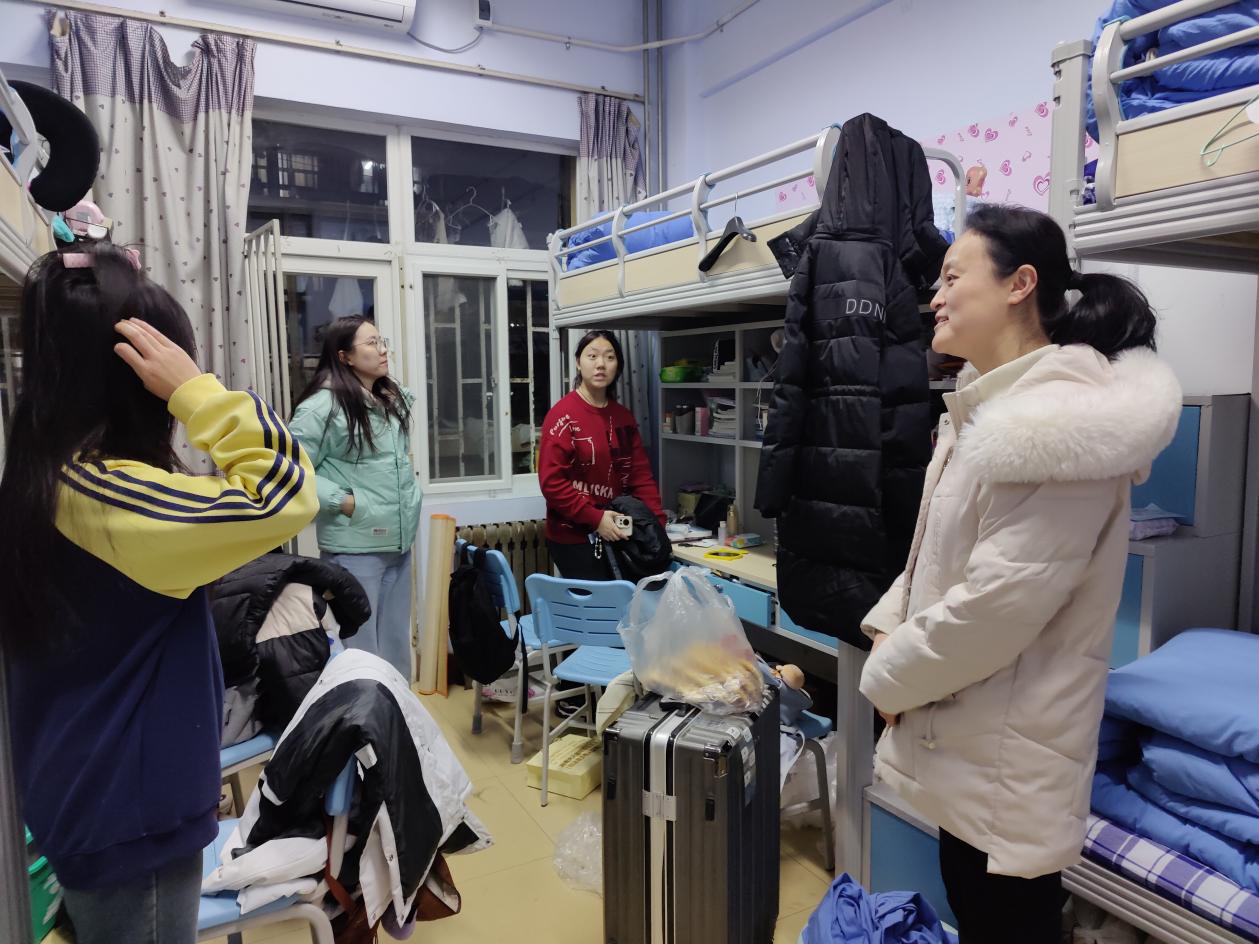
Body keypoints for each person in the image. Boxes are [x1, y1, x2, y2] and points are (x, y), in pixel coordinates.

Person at [857, 205, 1183, 944]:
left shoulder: (1054, 425)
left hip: (1006, 760)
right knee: (977, 912)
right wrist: (886, 626)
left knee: (1007, 922)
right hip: (968, 740)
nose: (935, 296)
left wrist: (888, 677)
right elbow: (931, 555)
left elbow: (996, 606)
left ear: (1019, 284)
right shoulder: (983, 408)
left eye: (951, 278)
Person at [0, 242, 317, 944]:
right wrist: (196, 389)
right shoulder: (106, 496)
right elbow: (287, 493)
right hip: (129, 814)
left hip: (96, 792)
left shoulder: (46, 474)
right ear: (137, 380)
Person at [289, 316, 421, 679]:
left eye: (382, 341)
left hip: (398, 544)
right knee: (361, 654)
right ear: (344, 356)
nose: (383, 350)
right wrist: (344, 501)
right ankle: (364, 715)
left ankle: (397, 710)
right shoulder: (323, 407)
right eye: (372, 343)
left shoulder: (388, 400)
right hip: (356, 549)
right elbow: (289, 468)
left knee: (396, 646)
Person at [538, 329, 665, 580]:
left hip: (618, 532)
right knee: (604, 603)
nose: (600, 364)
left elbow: (640, 477)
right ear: (578, 362)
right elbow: (552, 483)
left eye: (609, 357)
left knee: (633, 600)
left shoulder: (623, 417)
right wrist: (596, 519)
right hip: (573, 537)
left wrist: (657, 524)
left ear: (618, 366)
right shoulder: (562, 416)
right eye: (592, 356)